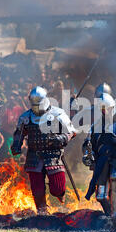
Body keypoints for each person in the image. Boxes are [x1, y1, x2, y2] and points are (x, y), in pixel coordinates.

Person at [10, 86, 76, 215]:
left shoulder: (58, 113)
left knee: (58, 188)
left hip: (53, 155)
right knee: (37, 188)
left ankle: (59, 194)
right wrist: (16, 145)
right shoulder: (26, 117)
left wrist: (62, 138)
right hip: (34, 156)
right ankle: (42, 212)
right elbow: (19, 133)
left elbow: (72, 132)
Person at [82, 93, 116, 225]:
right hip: (102, 162)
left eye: (107, 108)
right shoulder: (96, 127)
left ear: (114, 107)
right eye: (102, 109)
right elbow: (89, 145)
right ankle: (109, 215)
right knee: (101, 195)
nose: (105, 112)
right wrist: (88, 156)